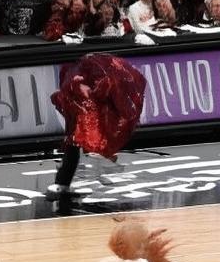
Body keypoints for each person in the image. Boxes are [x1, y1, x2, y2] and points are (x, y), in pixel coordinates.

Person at [47, 53, 147, 197]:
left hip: (84, 84)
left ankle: (63, 182)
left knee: (75, 138)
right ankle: (63, 182)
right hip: (79, 88)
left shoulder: (96, 72)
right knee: (74, 138)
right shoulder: (80, 75)